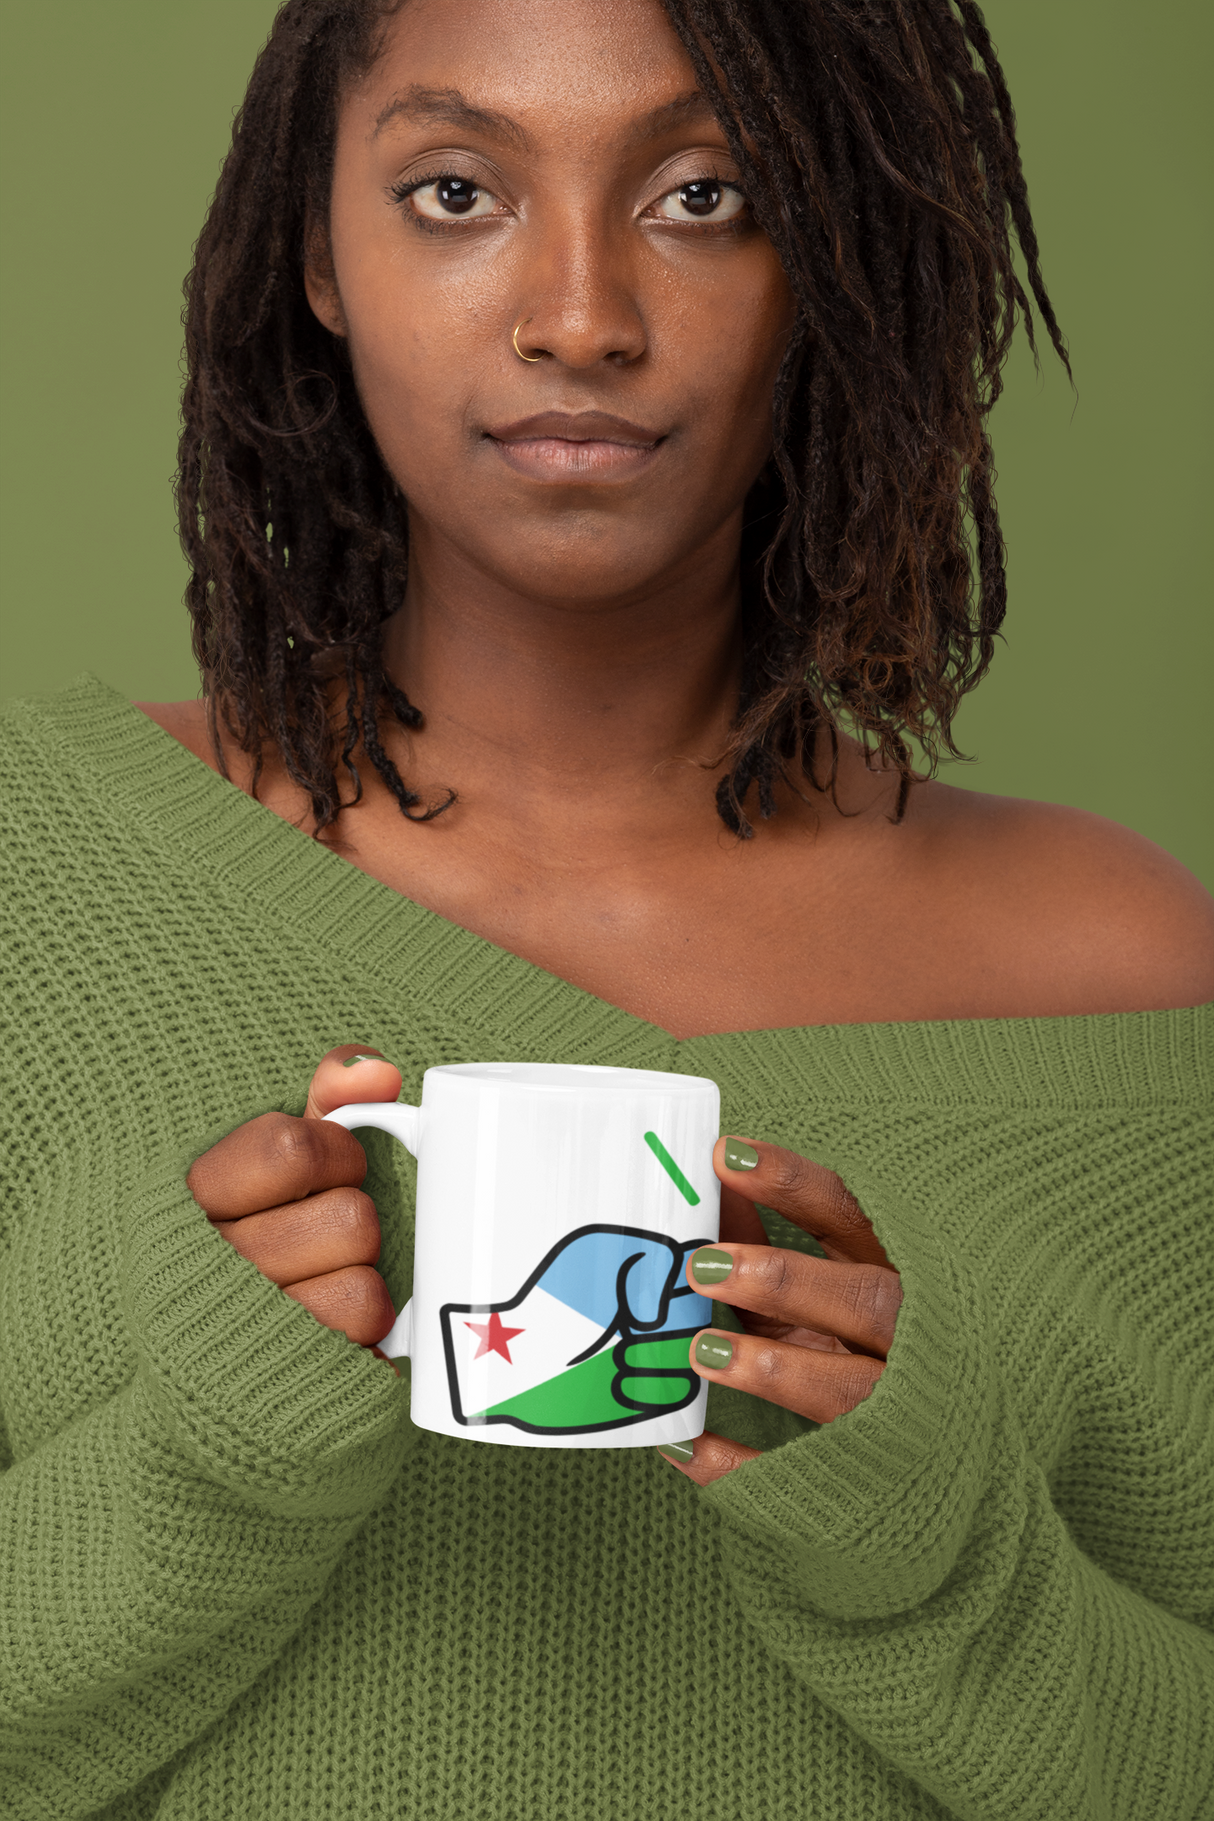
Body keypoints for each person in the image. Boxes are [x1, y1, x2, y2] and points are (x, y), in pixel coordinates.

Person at [2, 0, 1210, 1816]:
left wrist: (941, 1551)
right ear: (314, 254)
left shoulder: (1121, 968)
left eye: (705, 192)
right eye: (455, 189)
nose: (579, 313)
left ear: (833, 256)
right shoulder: (41, 872)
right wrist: (202, 1459)